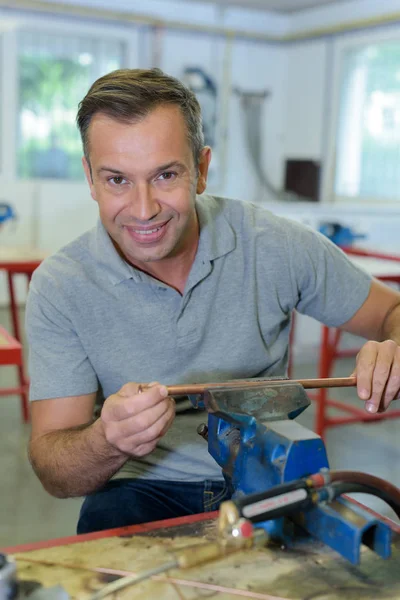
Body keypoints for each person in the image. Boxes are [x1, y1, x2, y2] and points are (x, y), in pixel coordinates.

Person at [26, 68, 400, 535]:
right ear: (90, 178)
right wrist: (108, 440)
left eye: (166, 175)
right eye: (117, 180)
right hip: (139, 488)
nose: (144, 209)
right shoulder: (62, 286)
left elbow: (391, 312)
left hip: (267, 472)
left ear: (201, 169)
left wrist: (393, 349)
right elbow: (54, 470)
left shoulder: (275, 244)